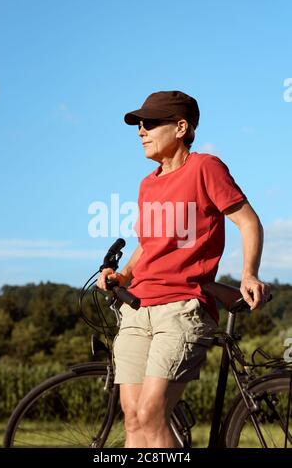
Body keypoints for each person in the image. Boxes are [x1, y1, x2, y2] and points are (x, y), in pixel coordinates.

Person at [97, 90, 270, 448]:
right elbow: (147, 244)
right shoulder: (148, 184)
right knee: (132, 420)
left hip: (182, 308)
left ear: (180, 127)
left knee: (151, 415)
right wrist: (124, 275)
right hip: (137, 310)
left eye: (149, 124)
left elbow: (249, 222)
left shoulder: (205, 167)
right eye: (138, 126)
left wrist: (249, 273)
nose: (140, 131)